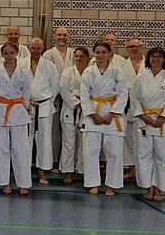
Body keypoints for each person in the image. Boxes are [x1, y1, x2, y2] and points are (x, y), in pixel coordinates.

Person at [131, 47, 165, 202]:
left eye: (159, 56)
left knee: (163, 157)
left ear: (164, 59)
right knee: (144, 156)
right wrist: (144, 117)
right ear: (149, 59)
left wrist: (163, 118)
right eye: (153, 56)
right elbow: (134, 98)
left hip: (164, 122)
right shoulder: (141, 77)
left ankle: (159, 189)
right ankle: (148, 187)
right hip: (144, 121)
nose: (156, 59)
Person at [80, 41, 128, 196]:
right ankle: (93, 183)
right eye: (97, 52)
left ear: (110, 55)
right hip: (92, 112)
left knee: (114, 152)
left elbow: (122, 95)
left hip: (112, 115)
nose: (100, 55)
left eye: (103, 52)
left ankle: (111, 185)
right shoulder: (88, 72)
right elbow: (84, 95)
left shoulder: (117, 72)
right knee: (91, 151)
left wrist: (112, 114)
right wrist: (92, 114)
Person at [0, 42, 33, 195]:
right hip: (0, 111)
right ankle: (4, 182)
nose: (8, 56)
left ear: (17, 54)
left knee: (21, 149)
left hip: (18, 111)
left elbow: (27, 94)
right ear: (2, 55)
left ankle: (23, 183)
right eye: (6, 53)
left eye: (11, 53)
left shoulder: (24, 73)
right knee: (1, 148)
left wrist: (23, 106)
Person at [19, 37, 58, 185]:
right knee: (25, 140)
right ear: (28, 48)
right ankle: (24, 169)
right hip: (25, 107)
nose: (35, 51)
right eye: (33, 48)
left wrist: (44, 100)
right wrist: (26, 102)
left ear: (43, 49)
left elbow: (55, 88)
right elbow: (18, 86)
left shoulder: (50, 66)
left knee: (44, 140)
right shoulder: (21, 64)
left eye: (38, 48)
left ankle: (42, 171)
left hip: (44, 106)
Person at [43, 27, 73, 173]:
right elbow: (46, 76)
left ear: (68, 37)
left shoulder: (74, 53)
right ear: (55, 37)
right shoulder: (48, 54)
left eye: (65, 35)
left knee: (70, 132)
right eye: (59, 35)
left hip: (71, 96)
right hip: (54, 96)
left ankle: (68, 163)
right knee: (54, 130)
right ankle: (53, 161)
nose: (62, 37)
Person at [58, 47, 90, 185]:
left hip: (87, 110)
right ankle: (67, 172)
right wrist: (78, 103)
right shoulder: (67, 72)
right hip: (70, 110)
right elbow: (63, 90)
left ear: (87, 58)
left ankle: (82, 171)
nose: (78, 58)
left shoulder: (91, 72)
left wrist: (86, 104)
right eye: (76, 56)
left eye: (82, 56)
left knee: (84, 143)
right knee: (68, 143)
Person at [121, 37, 146, 179]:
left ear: (142, 47)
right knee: (129, 140)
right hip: (128, 105)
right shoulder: (122, 65)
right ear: (127, 49)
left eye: (136, 46)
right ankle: (132, 170)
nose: (134, 48)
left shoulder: (149, 64)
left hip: (146, 106)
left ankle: (148, 173)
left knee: (146, 141)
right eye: (131, 46)